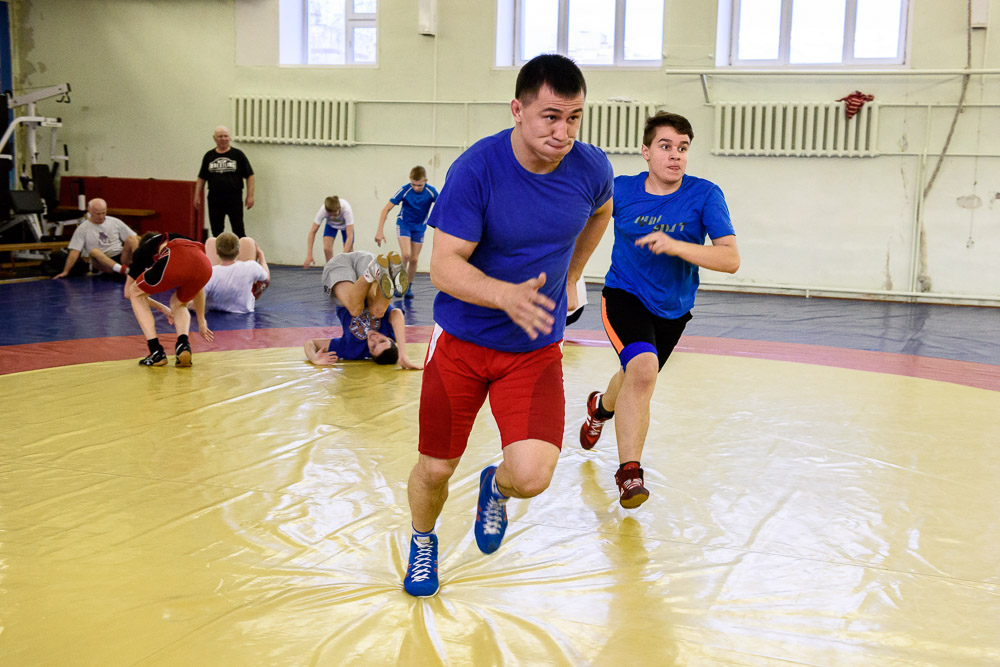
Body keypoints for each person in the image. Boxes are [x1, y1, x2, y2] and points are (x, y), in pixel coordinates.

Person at [402, 54, 614, 598]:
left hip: (534, 348)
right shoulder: (478, 169)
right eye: (550, 117)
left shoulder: (591, 168)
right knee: (434, 468)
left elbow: (601, 209)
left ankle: (493, 487)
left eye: (574, 118)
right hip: (462, 345)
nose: (562, 131)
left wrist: (572, 273)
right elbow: (443, 267)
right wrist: (505, 297)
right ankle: (422, 541)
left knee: (533, 475)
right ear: (517, 110)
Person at [578, 111, 740, 509]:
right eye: (666, 147)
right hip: (624, 295)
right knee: (644, 370)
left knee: (634, 375)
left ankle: (599, 407)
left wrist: (676, 245)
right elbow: (580, 223)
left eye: (682, 148)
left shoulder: (705, 194)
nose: (675, 156)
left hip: (673, 309)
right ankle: (629, 474)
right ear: (646, 152)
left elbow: (730, 259)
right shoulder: (621, 190)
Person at [304, 250, 420, 369]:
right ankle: (388, 271)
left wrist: (314, 358)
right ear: (390, 338)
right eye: (381, 341)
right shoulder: (389, 330)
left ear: (370, 354)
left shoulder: (352, 349)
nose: (374, 339)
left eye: (373, 347)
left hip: (340, 267)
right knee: (378, 312)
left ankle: (374, 273)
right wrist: (403, 354)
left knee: (355, 310)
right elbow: (397, 313)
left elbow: (310, 343)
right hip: (366, 262)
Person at [124, 232, 215, 367]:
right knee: (179, 303)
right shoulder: (181, 237)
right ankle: (183, 345)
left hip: (175, 258)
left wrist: (163, 309)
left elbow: (128, 293)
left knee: (135, 292)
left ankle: (156, 351)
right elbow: (199, 290)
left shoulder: (142, 251)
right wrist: (201, 321)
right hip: (204, 264)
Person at [374, 166, 438, 297]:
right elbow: (385, 209)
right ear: (410, 181)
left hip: (419, 227)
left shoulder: (431, 192)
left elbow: (444, 206)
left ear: (425, 180)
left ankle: (408, 286)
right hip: (404, 224)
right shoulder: (405, 190)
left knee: (414, 259)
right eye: (413, 184)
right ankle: (399, 282)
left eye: (419, 185)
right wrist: (379, 231)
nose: (416, 188)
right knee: (406, 254)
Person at [53, 198, 137, 279]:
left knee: (132, 239)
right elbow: (74, 251)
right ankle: (123, 270)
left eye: (103, 213)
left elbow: (136, 239)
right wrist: (65, 271)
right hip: (103, 263)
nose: (101, 216)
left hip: (121, 258)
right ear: (89, 211)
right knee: (94, 251)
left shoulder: (115, 222)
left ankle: (139, 267)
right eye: (98, 214)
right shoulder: (83, 228)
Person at [194, 126, 254, 238]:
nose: (223, 139)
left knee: (238, 229)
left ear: (229, 137)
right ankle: (218, 254)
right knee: (216, 231)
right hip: (214, 198)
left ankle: (242, 255)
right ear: (214, 138)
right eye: (220, 136)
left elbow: (250, 176)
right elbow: (202, 177)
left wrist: (250, 196)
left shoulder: (238, 155)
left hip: (234, 197)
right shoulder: (209, 156)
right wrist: (197, 195)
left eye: (226, 136)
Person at [203, 232, 270, 313]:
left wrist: (185, 304)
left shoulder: (211, 272)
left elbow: (197, 300)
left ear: (216, 252)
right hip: (242, 302)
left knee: (210, 241)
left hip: (215, 301)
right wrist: (261, 255)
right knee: (247, 241)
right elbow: (266, 279)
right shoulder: (251, 266)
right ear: (238, 252)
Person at [304, 196, 355, 268]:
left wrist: (342, 256)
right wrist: (309, 254)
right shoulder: (323, 210)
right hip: (331, 226)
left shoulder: (347, 209)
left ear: (339, 208)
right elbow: (312, 231)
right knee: (327, 249)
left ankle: (349, 271)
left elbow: (349, 236)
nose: (332, 217)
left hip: (345, 227)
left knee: (349, 252)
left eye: (335, 214)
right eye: (330, 214)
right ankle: (331, 269)